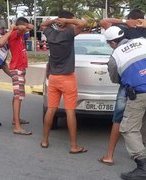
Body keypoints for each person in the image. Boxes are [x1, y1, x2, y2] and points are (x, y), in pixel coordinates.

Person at [98, 9, 146, 165]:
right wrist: (127, 23)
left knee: (120, 119)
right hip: (134, 82)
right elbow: (104, 22)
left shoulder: (122, 34)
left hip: (130, 85)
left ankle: (112, 155)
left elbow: (104, 22)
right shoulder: (123, 30)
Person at [40, 10, 87, 153]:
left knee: (51, 109)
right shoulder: (69, 33)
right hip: (67, 78)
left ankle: (45, 140)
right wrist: (67, 21)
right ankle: (73, 146)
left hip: (53, 77)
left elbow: (42, 25)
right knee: (70, 112)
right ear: (67, 21)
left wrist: (55, 20)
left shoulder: (51, 34)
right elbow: (83, 23)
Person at [8, 17, 34, 135]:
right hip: (17, 69)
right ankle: (17, 127)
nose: (27, 29)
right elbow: (24, 27)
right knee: (18, 97)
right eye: (25, 26)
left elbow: (29, 27)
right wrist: (19, 26)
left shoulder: (21, 35)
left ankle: (15, 119)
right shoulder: (15, 34)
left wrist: (25, 26)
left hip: (20, 69)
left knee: (16, 96)